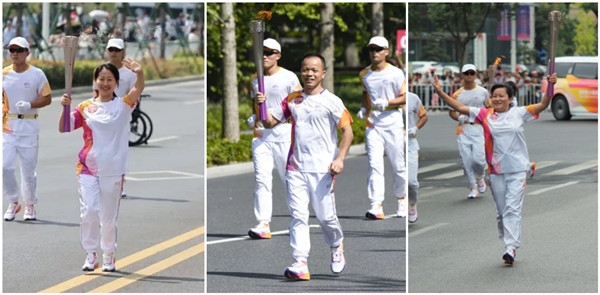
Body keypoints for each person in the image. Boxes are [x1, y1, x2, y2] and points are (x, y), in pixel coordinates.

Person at [432, 71, 557, 265]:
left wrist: (550, 86)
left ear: (510, 98)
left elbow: (543, 104)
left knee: (512, 210)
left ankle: (511, 248)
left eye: (501, 96)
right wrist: (439, 91)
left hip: (517, 170)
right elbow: (458, 106)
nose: (497, 99)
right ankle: (507, 240)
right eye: (494, 95)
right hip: (496, 171)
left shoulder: (520, 113)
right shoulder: (485, 115)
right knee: (501, 212)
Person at [256, 53, 353, 280]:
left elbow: (347, 131)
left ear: (323, 74)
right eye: (305, 69)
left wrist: (340, 159)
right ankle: (300, 262)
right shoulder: (292, 99)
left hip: (323, 170)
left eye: (314, 70)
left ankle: (336, 245)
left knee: (326, 217)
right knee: (298, 216)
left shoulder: (332, 101)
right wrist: (260, 105)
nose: (309, 73)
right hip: (296, 168)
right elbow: (270, 122)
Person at [59, 59, 145, 272]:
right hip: (87, 167)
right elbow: (64, 127)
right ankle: (91, 253)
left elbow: (138, 88)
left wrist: (140, 73)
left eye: (109, 79)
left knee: (107, 218)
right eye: (101, 79)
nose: (105, 83)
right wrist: (65, 107)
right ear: (95, 81)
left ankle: (108, 254)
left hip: (113, 170)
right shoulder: (85, 107)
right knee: (88, 210)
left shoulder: (123, 105)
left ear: (116, 82)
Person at [246, 38, 301, 239]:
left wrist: (275, 115)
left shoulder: (289, 78)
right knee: (261, 180)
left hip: (284, 133)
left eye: (269, 53)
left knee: (289, 179)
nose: (265, 56)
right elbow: (255, 103)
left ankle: (298, 217)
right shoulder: (255, 79)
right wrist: (256, 115)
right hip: (261, 136)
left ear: (278, 55)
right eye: (262, 52)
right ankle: (263, 223)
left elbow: (297, 103)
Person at [3, 37, 52, 222]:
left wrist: (30, 104)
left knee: (28, 170)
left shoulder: (37, 74)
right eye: (11, 50)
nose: (14, 53)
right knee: (5, 167)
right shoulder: (4, 74)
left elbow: (47, 98)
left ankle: (30, 205)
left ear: (27, 52)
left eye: (18, 50)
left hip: (29, 125)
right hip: (8, 125)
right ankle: (14, 201)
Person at [357, 36, 407, 219]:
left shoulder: (396, 73)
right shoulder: (364, 74)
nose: (374, 52)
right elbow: (365, 93)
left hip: (393, 122)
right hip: (373, 124)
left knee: (398, 164)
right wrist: (364, 108)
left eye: (378, 49)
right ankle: (376, 204)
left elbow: (404, 97)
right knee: (374, 165)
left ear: (386, 51)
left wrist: (387, 102)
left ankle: (401, 199)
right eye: (371, 49)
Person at [94, 38, 137, 198]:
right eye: (110, 50)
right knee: (101, 150)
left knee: (119, 152)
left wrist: (123, 109)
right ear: (107, 51)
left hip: (121, 117)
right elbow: (95, 93)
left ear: (122, 52)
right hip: (102, 116)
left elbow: (134, 94)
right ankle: (100, 181)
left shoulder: (129, 73)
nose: (113, 53)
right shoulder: (101, 70)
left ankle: (119, 184)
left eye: (116, 50)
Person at [448, 64, 489, 199]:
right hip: (463, 129)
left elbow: (489, 109)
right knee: (466, 161)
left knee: (479, 160)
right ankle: (472, 187)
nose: (470, 76)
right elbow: (451, 112)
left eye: (472, 73)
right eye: (467, 73)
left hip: (478, 128)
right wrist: (458, 118)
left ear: (476, 74)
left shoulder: (483, 92)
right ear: (463, 75)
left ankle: (480, 177)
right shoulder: (457, 94)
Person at [406, 91, 428, 224]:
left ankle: (412, 204)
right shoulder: (388, 98)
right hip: (394, 143)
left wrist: (415, 128)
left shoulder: (412, 98)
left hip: (410, 144)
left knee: (411, 181)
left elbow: (424, 116)